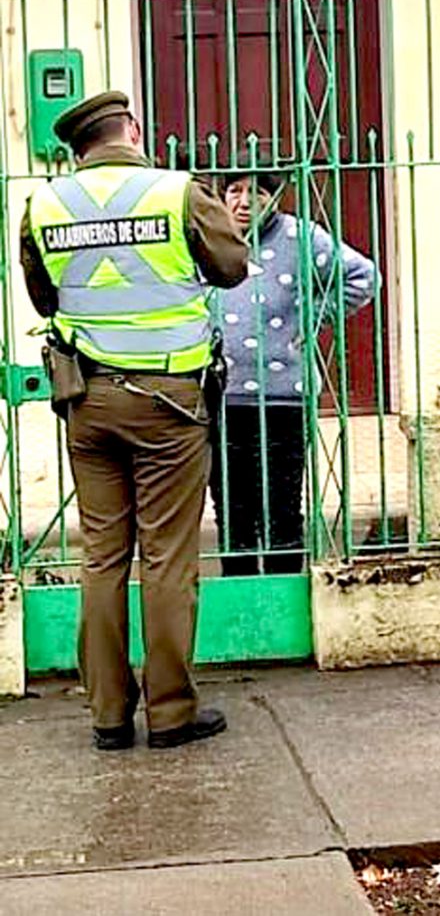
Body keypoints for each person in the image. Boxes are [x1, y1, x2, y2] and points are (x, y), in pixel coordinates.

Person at [19, 91, 249, 750]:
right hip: (169, 402)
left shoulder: (44, 205)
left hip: (87, 402)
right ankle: (171, 711)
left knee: (102, 557)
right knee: (169, 558)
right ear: (134, 130)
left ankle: (109, 716)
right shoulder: (178, 192)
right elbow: (231, 269)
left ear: (76, 147)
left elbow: (45, 294)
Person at [209, 170, 376, 575]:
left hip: (284, 397)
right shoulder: (209, 238)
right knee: (233, 509)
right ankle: (242, 597)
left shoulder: (300, 236)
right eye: (235, 191)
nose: (245, 201)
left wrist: (314, 318)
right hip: (221, 397)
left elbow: (362, 276)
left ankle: (285, 600)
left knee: (281, 507)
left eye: (258, 192)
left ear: (276, 196)